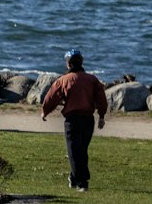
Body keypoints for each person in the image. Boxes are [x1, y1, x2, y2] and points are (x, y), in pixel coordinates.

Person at [41, 48, 108, 192]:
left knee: (74, 151)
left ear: (68, 64)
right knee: (81, 150)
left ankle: (82, 182)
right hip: (88, 120)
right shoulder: (92, 79)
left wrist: (44, 112)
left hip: (72, 120)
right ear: (81, 62)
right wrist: (101, 116)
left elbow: (51, 97)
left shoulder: (63, 80)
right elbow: (101, 99)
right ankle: (74, 177)